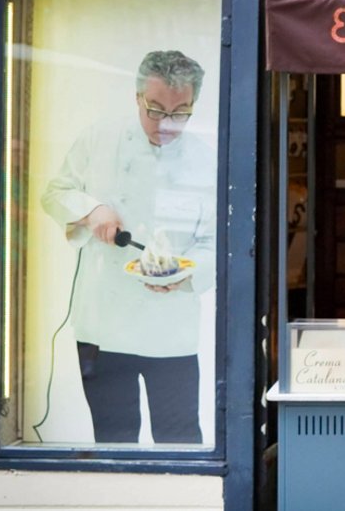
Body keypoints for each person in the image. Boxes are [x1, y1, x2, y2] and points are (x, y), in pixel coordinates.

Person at [41, 50, 216, 445]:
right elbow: (54, 194)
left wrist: (186, 277)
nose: (166, 124)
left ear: (194, 105)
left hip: (172, 330)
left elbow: (216, 243)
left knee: (180, 438)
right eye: (154, 110)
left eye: (179, 112)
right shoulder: (98, 139)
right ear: (137, 97)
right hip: (103, 323)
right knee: (113, 438)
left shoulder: (206, 161)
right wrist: (92, 209)